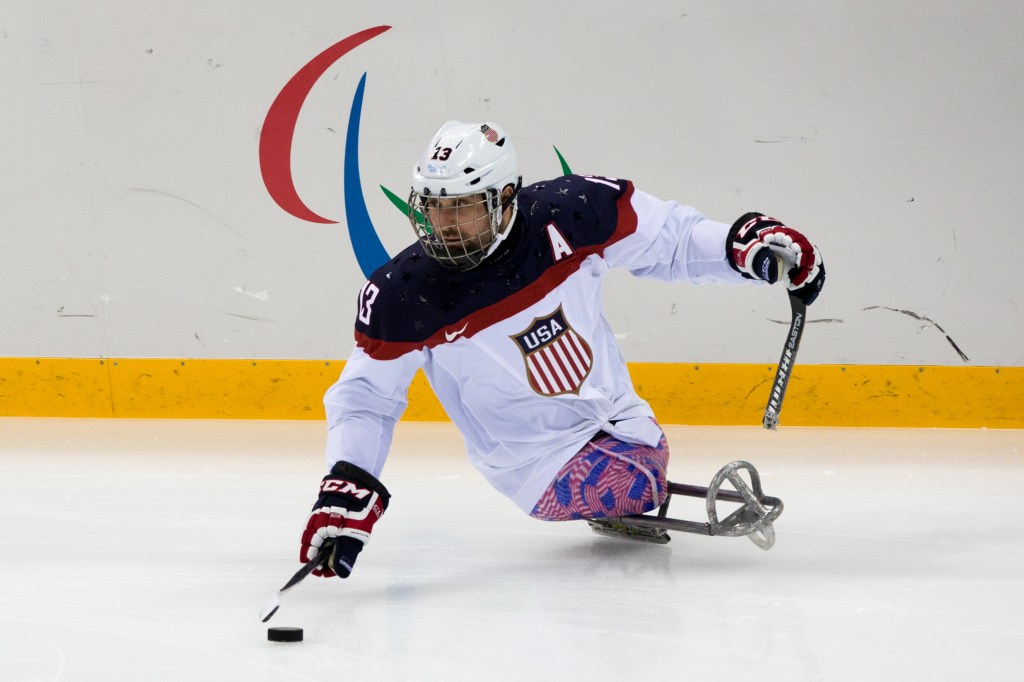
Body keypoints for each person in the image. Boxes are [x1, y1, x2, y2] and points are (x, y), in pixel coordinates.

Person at [299, 121, 825, 577]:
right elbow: (366, 399)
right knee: (638, 480)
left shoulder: (573, 212)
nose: (445, 227)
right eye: (436, 209)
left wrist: (742, 248)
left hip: (613, 413)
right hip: (530, 460)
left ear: (506, 198)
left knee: (647, 461)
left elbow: (673, 240)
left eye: (464, 208)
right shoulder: (404, 292)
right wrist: (348, 482)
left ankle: (620, 471)